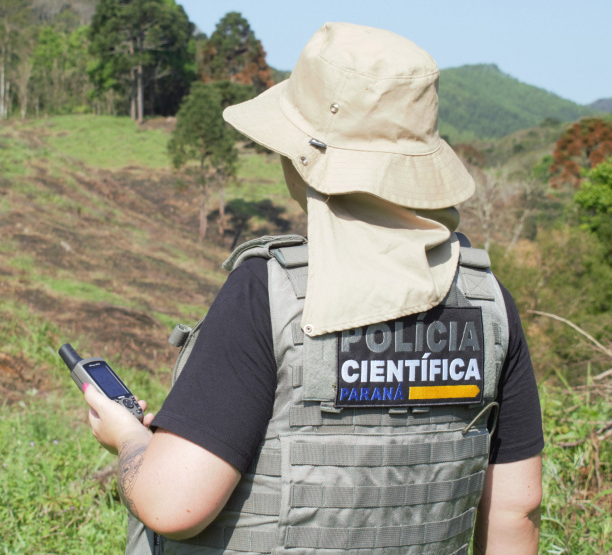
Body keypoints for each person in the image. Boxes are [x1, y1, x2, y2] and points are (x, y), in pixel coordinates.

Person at [83, 22, 543, 555]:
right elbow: (517, 510)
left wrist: (130, 440)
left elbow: (172, 504)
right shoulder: (488, 304)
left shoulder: (268, 291)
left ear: (303, 159)